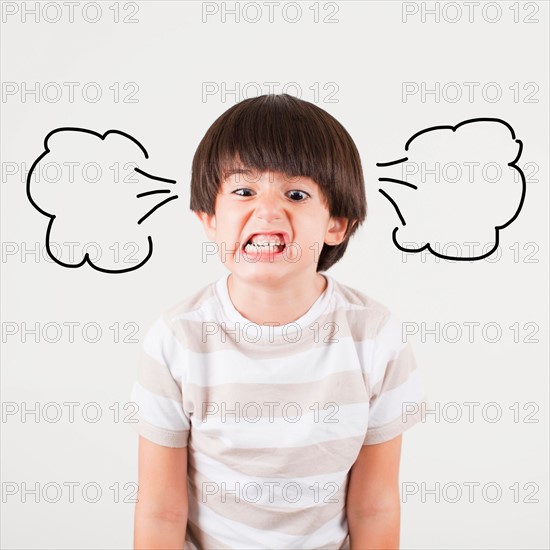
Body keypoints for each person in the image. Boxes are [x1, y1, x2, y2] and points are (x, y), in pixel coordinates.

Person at [131, 94, 427, 549]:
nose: (267, 211)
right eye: (244, 191)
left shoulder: (376, 337)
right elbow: (162, 510)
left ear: (337, 224)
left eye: (296, 194)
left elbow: (375, 506)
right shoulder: (177, 340)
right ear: (209, 218)